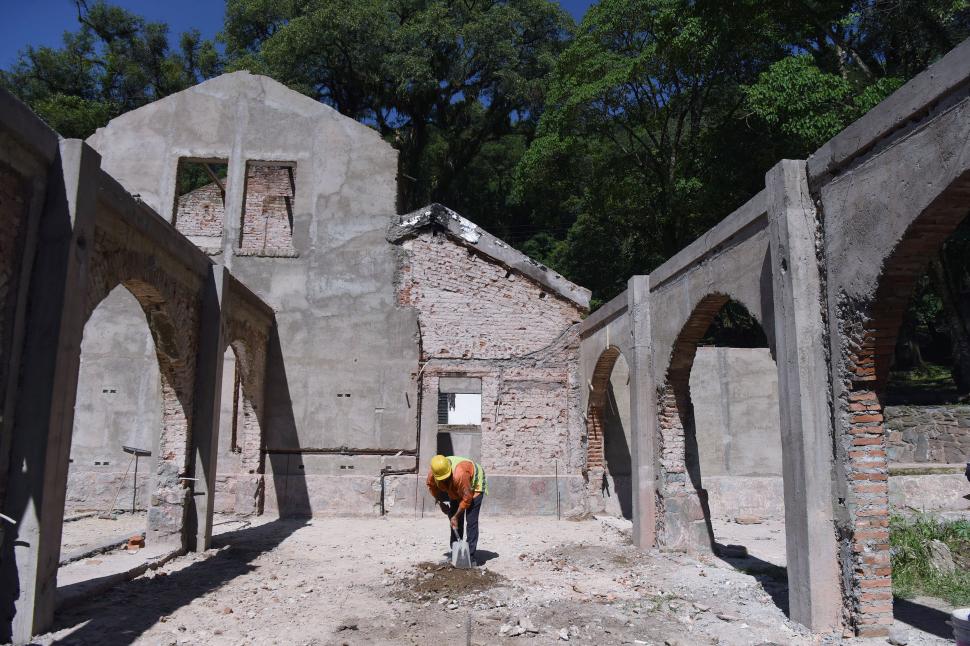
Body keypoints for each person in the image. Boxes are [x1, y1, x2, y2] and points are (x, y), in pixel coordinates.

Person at [427, 454, 488, 564]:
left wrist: (455, 516)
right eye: (442, 479)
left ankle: (470, 557)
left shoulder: (460, 474)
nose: (444, 481)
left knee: (471, 520)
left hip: (474, 482)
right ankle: (455, 552)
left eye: (446, 478)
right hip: (457, 485)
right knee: (455, 520)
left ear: (449, 471)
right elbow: (432, 487)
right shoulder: (434, 473)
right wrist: (440, 502)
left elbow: (467, 498)